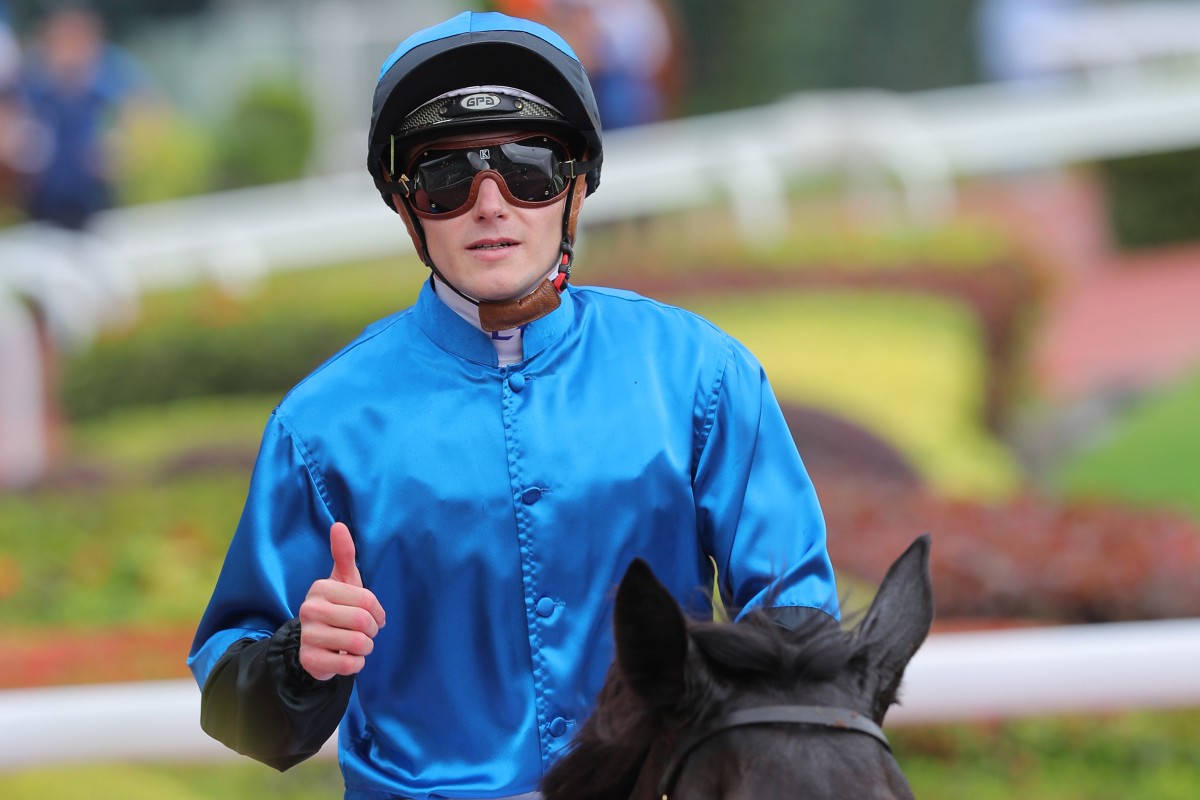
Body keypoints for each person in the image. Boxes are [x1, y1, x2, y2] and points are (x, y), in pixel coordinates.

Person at [189, 11, 839, 800]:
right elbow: (233, 701)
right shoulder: (322, 423)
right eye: (445, 177)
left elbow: (796, 617)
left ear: (575, 188)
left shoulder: (701, 374)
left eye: (528, 167)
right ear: (405, 205)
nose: (490, 203)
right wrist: (299, 656)